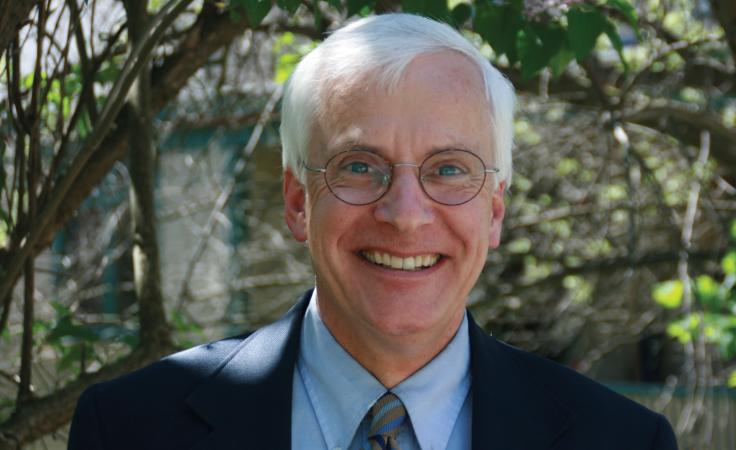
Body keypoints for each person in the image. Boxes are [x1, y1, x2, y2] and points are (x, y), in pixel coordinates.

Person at [68, 13, 678, 450]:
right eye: (360, 167)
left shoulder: (623, 439)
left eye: (448, 170)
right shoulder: (128, 429)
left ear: (494, 210)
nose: (406, 213)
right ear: (299, 200)